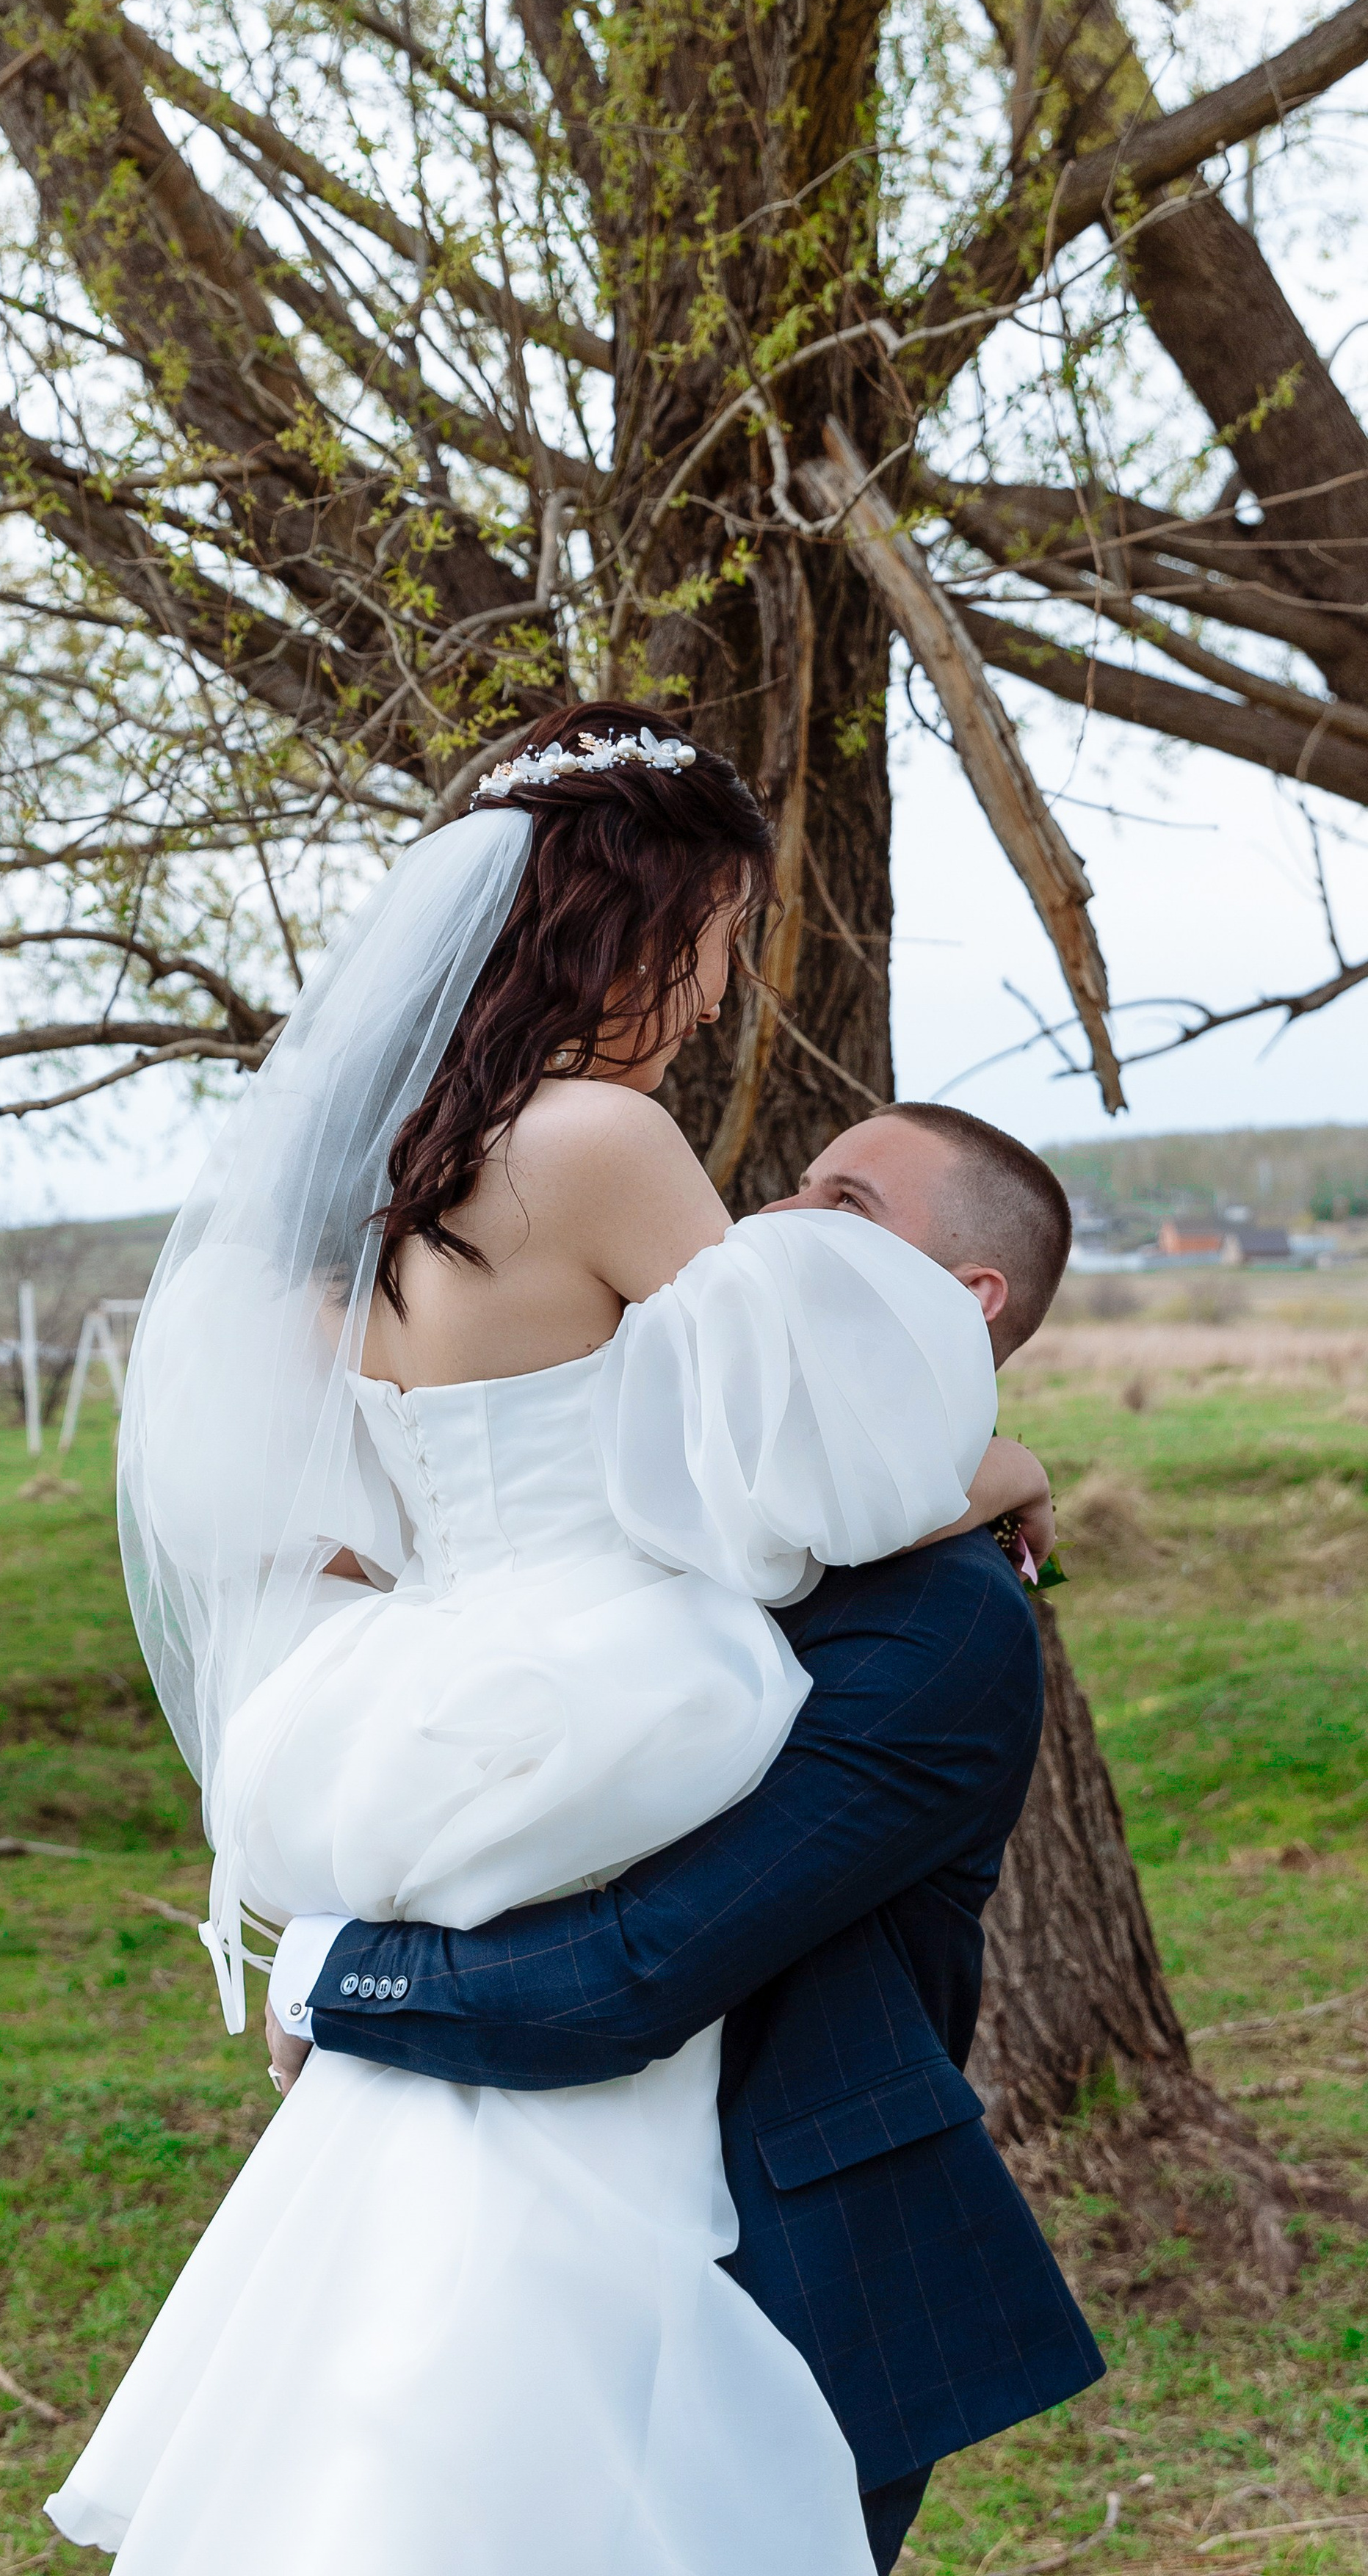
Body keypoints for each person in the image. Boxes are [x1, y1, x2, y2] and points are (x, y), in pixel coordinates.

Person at [45, 703, 1070, 2573]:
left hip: (429, 1667)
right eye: (720, 932)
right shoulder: (599, 1136)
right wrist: (996, 1456)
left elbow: (308, 1492)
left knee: (422, 2233)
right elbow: (792, 1451)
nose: (718, 982)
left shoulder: (366, 1188)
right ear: (636, 916)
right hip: (594, 1665)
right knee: (572, 2206)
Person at [266, 1103, 1107, 2574]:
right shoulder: (701, 1507)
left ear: (960, 1301)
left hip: (776, 2281)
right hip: (526, 2230)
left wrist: (328, 1981)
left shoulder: (946, 1625)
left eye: (840, 1206)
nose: (771, 1224)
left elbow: (635, 1973)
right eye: (783, 1187)